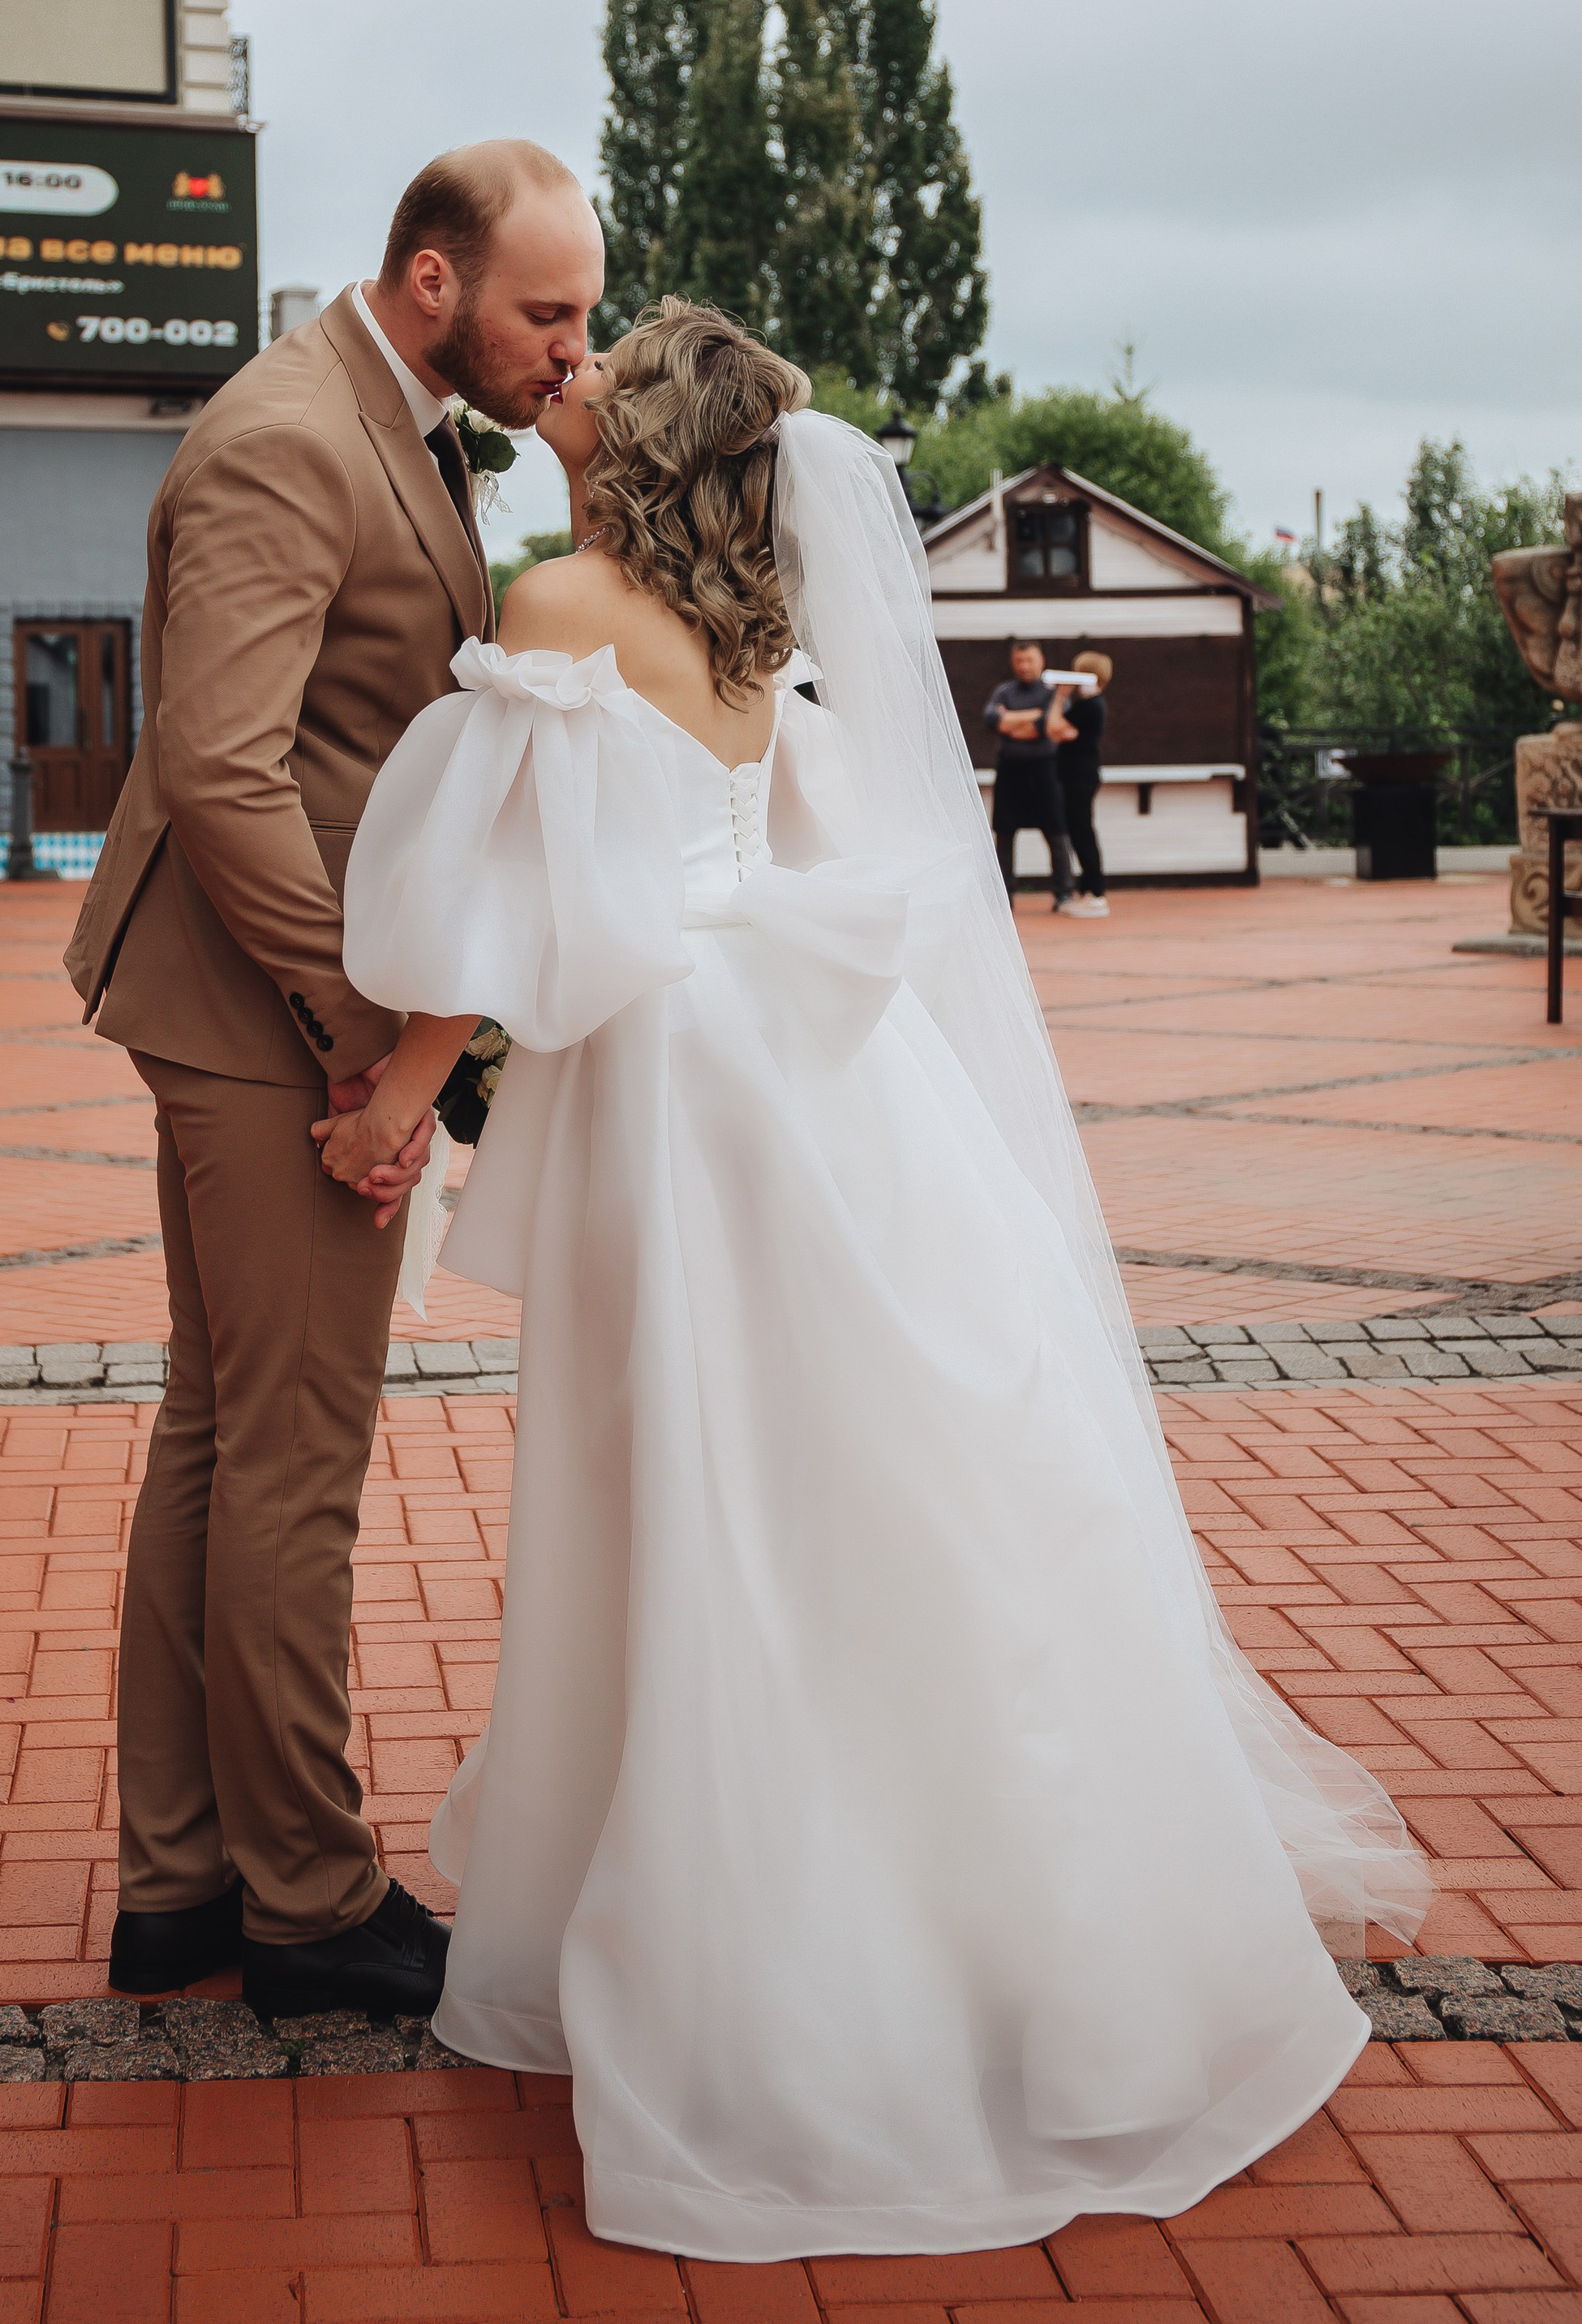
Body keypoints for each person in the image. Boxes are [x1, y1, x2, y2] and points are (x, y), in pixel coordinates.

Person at [319, 300, 1425, 2262]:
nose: (560, 377)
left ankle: (779, 1977)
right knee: (861, 1483)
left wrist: (399, 1096)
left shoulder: (566, 602)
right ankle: (991, 1926)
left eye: (593, 372)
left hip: (682, 1086)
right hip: (819, 1074)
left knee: (700, 1490)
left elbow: (508, 896)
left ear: (641, 445)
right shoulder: (754, 631)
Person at [65, 138, 603, 2017]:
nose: (572, 349)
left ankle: (181, 1879)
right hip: (262, 1019)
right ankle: (301, 1895)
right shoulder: (288, 435)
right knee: (286, 1457)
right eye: (549, 310)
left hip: (244, 997)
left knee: (219, 1436)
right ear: (433, 281)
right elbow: (218, 772)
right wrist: (363, 1047)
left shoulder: (387, 417)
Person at [983, 638, 1076, 910]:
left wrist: (1011, 721)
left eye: (1030, 660)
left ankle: (1064, 894)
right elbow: (992, 719)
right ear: (1013, 663)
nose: (1025, 666)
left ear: (1041, 661)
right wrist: (1033, 717)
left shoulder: (1053, 693)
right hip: (1010, 772)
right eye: (1019, 660)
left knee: (1057, 833)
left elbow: (1047, 727)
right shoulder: (1004, 691)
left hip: (1046, 771)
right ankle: (1004, 897)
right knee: (1005, 834)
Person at [1055, 648, 1113, 916]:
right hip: (1077, 774)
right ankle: (1089, 889)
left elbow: (1054, 728)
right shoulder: (1088, 705)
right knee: (1079, 831)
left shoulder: (1090, 706)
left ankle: (1096, 891)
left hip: (1080, 775)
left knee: (1083, 832)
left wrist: (1059, 696)